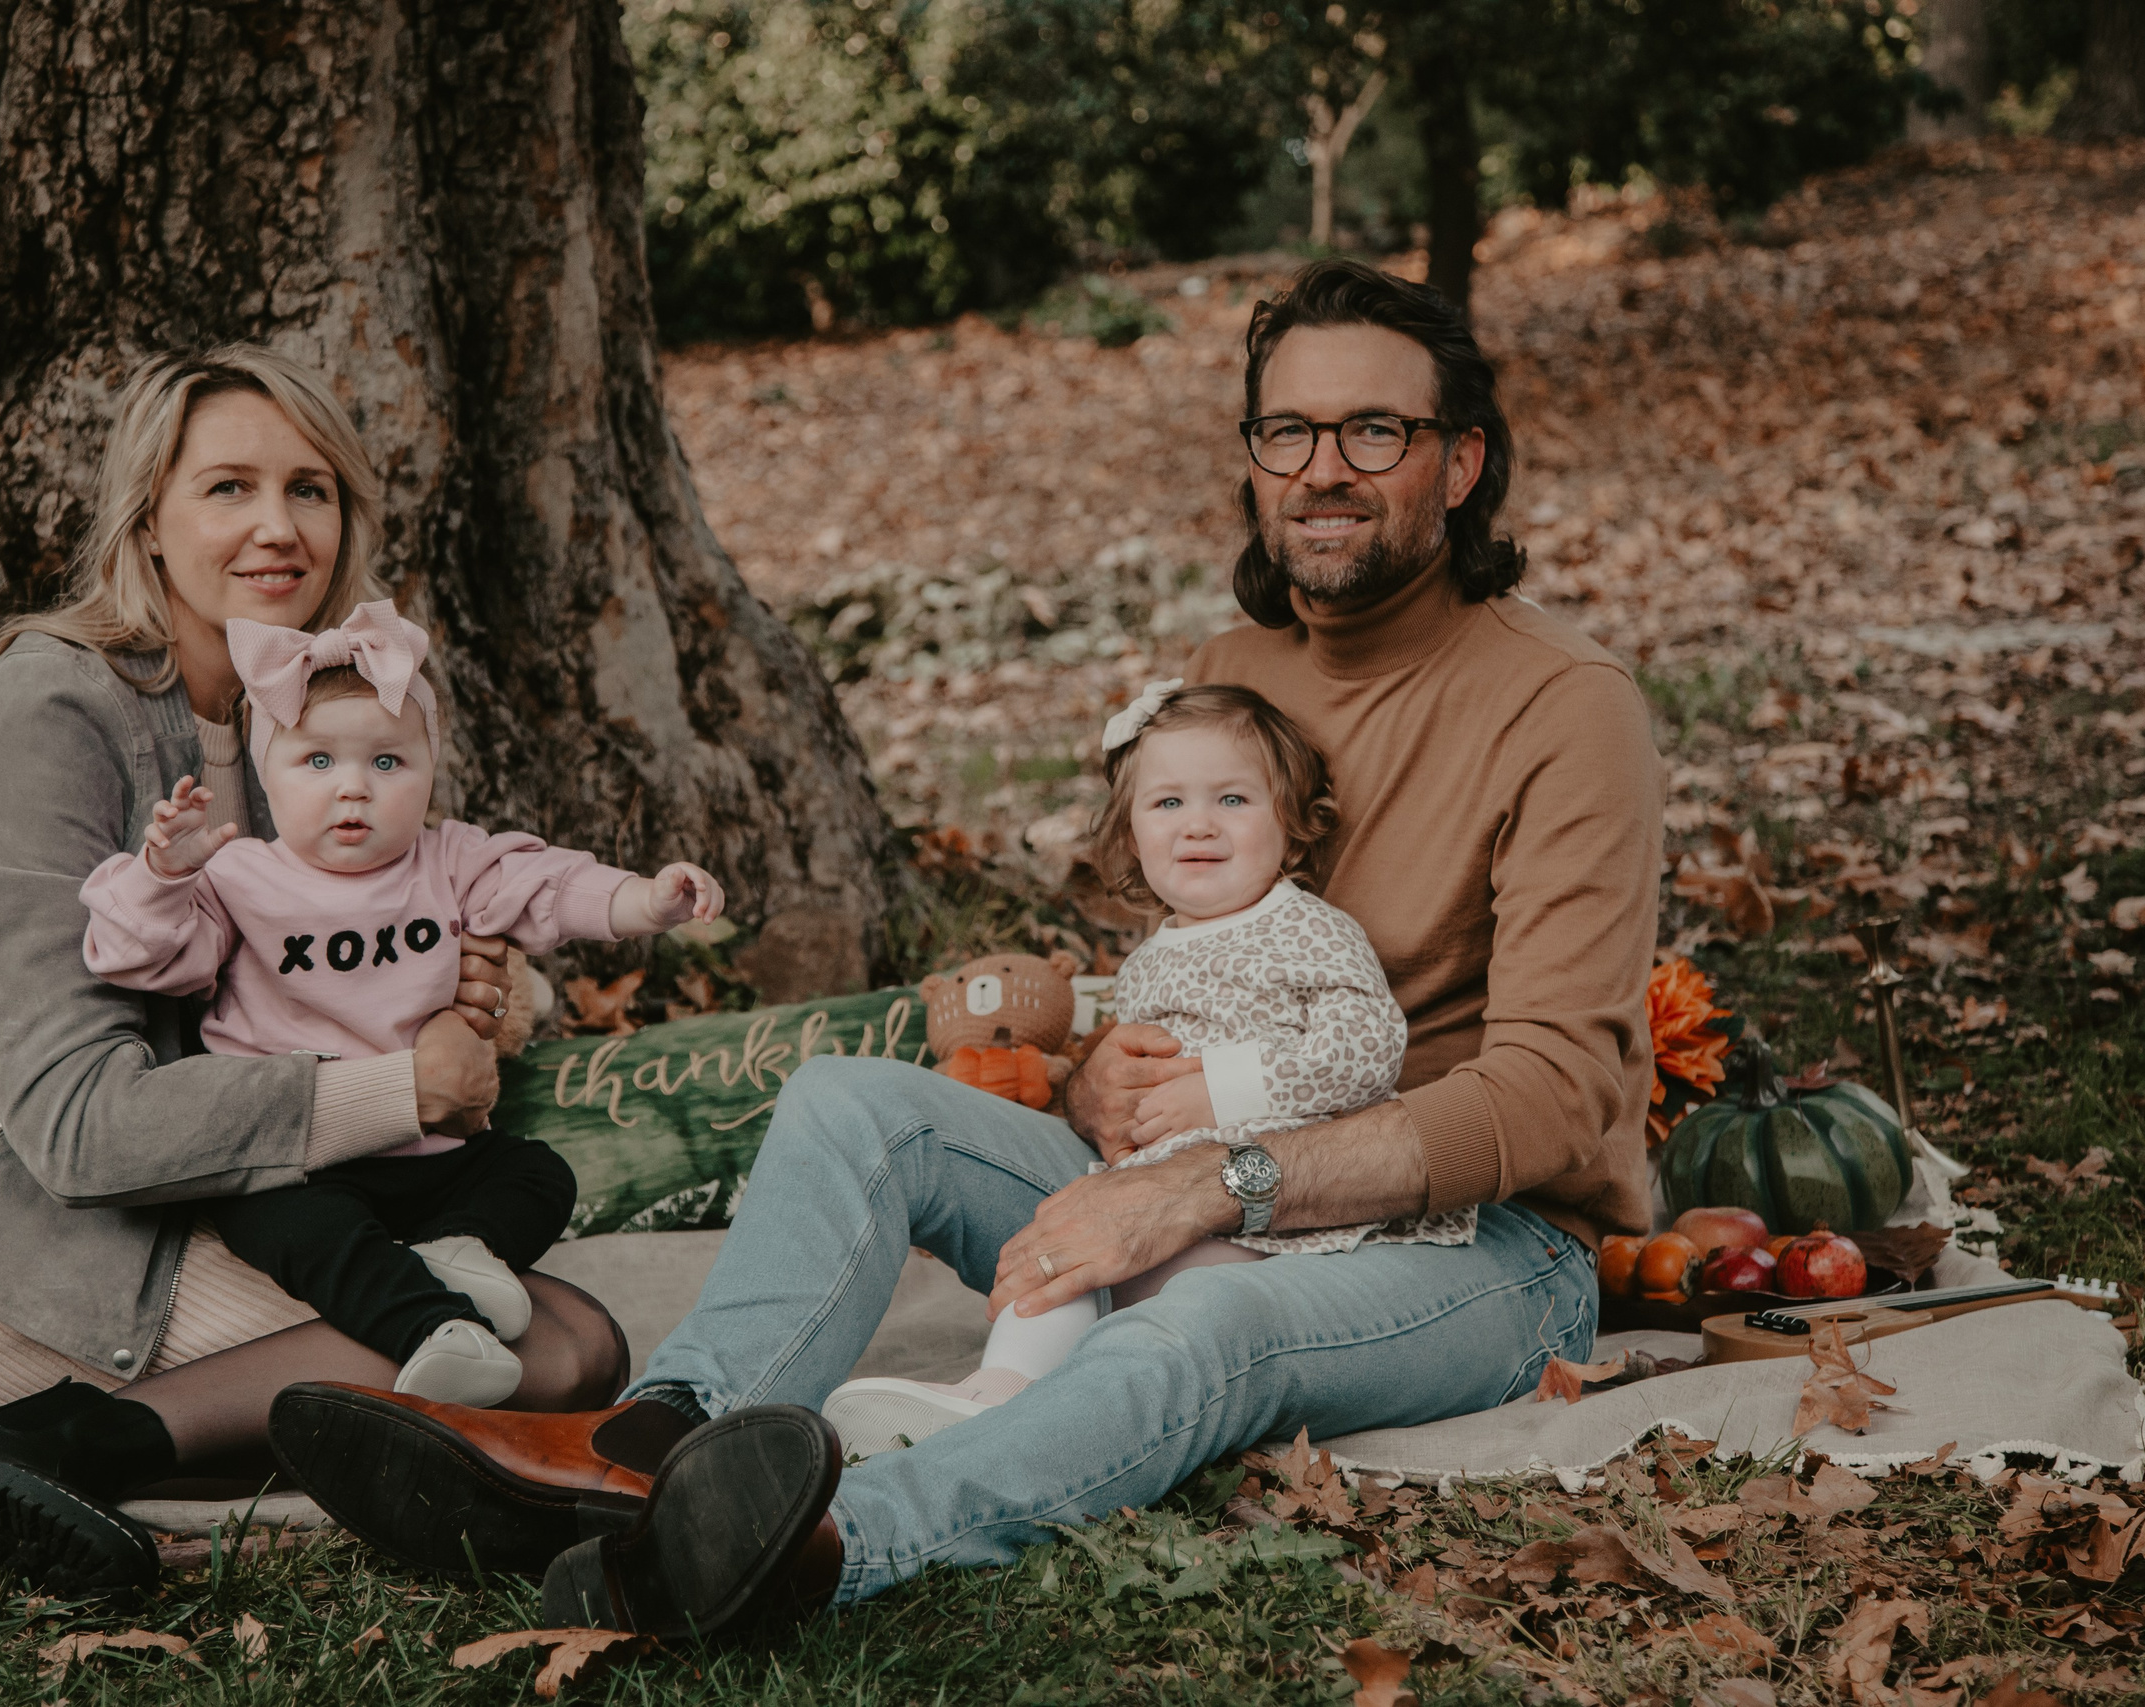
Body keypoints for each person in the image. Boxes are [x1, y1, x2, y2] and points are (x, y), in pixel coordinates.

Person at [265, 257, 1664, 1637]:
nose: (1324, 470)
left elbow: (1555, 1096)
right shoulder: (1235, 675)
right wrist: (1099, 1082)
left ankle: (812, 1543)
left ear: (1461, 462)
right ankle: (644, 1450)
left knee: (1200, 1333)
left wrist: (1209, 1186)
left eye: (1376, 432)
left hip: (1480, 1246)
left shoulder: (1563, 704)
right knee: (852, 1107)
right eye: (1288, 431)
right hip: (1202, 1179)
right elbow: (1189, 980)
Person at [0, 345, 626, 1596]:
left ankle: (28, 1458)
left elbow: (395, 926)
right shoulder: (33, 723)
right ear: (147, 518)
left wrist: (478, 998)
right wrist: (400, 1088)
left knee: (572, 1343)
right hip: (8, 1239)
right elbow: (76, 1127)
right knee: (549, 1353)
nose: (278, 526)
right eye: (228, 488)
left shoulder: (302, 719)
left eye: (311, 489)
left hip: (209, 1186)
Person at [80, 602, 724, 1408]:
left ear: (429, 769)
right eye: (317, 760)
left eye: (387, 761)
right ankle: (431, 1329)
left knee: (537, 1173)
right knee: (290, 1231)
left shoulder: (447, 859)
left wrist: (646, 899)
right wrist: (162, 876)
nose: (353, 786)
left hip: (434, 1151)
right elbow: (141, 956)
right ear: (267, 773)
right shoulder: (242, 878)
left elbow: (549, 885)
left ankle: (464, 1249)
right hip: (303, 1160)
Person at [823, 681, 1463, 1454]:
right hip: (1143, 1195)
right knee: (1059, 1258)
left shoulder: (1308, 929)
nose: (1198, 823)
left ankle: (1062, 1420)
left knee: (1181, 1308)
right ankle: (996, 1393)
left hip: (1270, 1211)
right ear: (1130, 837)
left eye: (1233, 799)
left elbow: (1366, 1047)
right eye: (1167, 804)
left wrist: (1217, 1089)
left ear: (1292, 827)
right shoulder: (1150, 957)